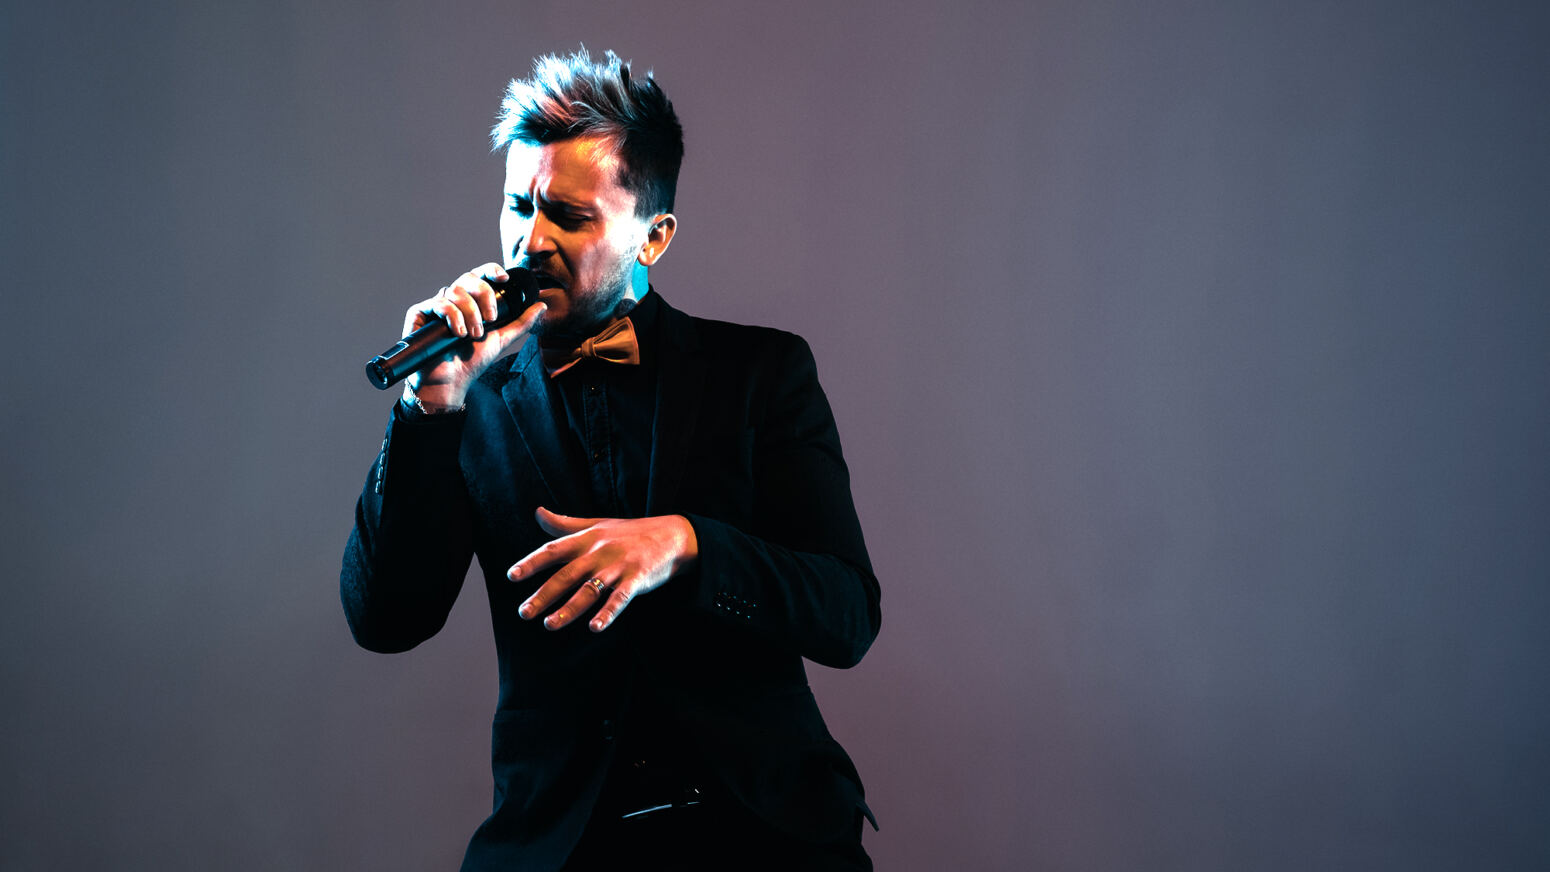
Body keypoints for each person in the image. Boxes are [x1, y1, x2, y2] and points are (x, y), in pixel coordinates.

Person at [341, 49, 880, 871]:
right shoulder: (467, 403)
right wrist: (430, 406)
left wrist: (686, 544)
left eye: (569, 216)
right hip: (561, 850)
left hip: (764, 842)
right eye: (517, 206)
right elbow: (386, 622)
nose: (529, 242)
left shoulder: (761, 375)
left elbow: (846, 615)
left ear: (653, 237)